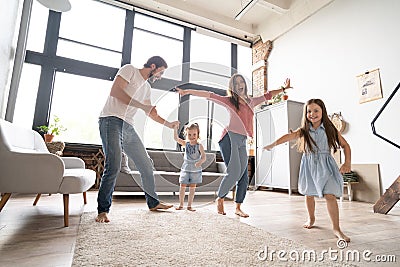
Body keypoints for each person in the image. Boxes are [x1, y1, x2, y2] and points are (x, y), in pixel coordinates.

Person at [176, 74, 291, 217]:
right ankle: (221, 197)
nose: (239, 84)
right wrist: (188, 92)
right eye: (236, 83)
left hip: (243, 140)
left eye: (241, 81)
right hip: (228, 138)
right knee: (234, 172)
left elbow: (268, 96)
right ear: (233, 87)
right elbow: (209, 95)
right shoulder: (229, 101)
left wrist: (283, 88)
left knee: (244, 176)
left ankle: (238, 207)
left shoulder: (251, 101)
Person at [96, 56, 179, 223]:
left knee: (146, 164)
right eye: (160, 72)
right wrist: (141, 106)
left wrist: (168, 124)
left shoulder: (147, 88)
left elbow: (150, 112)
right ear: (153, 66)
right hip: (110, 120)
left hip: (128, 126)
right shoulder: (130, 70)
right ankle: (103, 210)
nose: (160, 76)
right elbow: (116, 91)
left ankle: (153, 202)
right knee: (114, 164)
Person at [263, 99, 351, 242]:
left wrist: (347, 163)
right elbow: (288, 136)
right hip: (309, 166)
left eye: (316, 110)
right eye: (309, 111)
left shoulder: (330, 129)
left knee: (330, 195)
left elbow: (346, 146)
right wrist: (273, 144)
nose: (312, 114)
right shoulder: (304, 130)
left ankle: (336, 228)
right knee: (309, 194)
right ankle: (311, 218)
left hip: (326, 166)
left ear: (323, 111)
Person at [173, 123, 206, 211]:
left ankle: (189, 205)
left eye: (194, 134)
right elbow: (176, 139)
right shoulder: (186, 143)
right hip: (186, 167)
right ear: (186, 134)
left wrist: (200, 162)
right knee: (182, 185)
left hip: (195, 169)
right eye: (189, 134)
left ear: (198, 134)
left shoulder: (199, 146)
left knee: (192, 187)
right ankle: (181, 204)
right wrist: (175, 129)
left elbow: (204, 157)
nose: (192, 136)